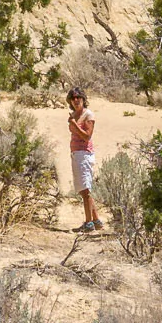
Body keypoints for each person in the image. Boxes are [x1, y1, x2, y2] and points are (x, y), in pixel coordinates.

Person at [67, 87, 100, 233]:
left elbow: (87, 136)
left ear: (83, 98)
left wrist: (74, 124)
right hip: (76, 154)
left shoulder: (88, 114)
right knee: (82, 190)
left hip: (84, 154)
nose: (75, 100)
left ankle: (88, 223)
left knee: (85, 190)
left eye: (78, 97)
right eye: (73, 98)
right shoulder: (74, 114)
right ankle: (96, 220)